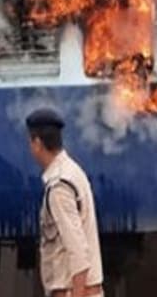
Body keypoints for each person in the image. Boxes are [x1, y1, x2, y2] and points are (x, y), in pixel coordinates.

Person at [26, 107, 103, 297]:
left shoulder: (59, 187)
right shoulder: (73, 172)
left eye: (30, 141)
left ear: (37, 144)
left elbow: (79, 253)